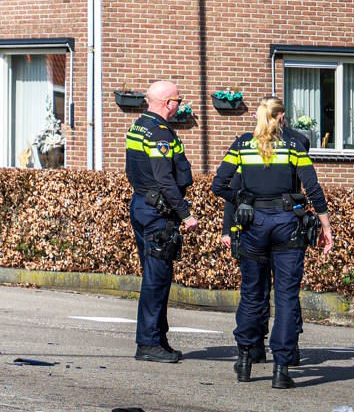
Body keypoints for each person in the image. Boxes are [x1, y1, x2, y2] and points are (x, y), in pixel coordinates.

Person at [212, 97, 333, 388]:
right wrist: (326, 226)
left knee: (252, 293)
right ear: (280, 117)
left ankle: (244, 359)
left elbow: (219, 185)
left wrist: (243, 200)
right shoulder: (294, 146)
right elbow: (313, 188)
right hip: (286, 224)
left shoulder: (242, 145)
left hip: (253, 224)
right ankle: (281, 368)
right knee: (286, 296)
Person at [125, 78, 199, 363]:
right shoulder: (159, 134)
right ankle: (148, 343)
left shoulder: (139, 126)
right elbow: (165, 178)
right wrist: (185, 214)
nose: (180, 105)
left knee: (155, 275)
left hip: (142, 204)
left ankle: (158, 338)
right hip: (158, 213)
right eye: (178, 100)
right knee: (156, 279)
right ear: (168, 103)